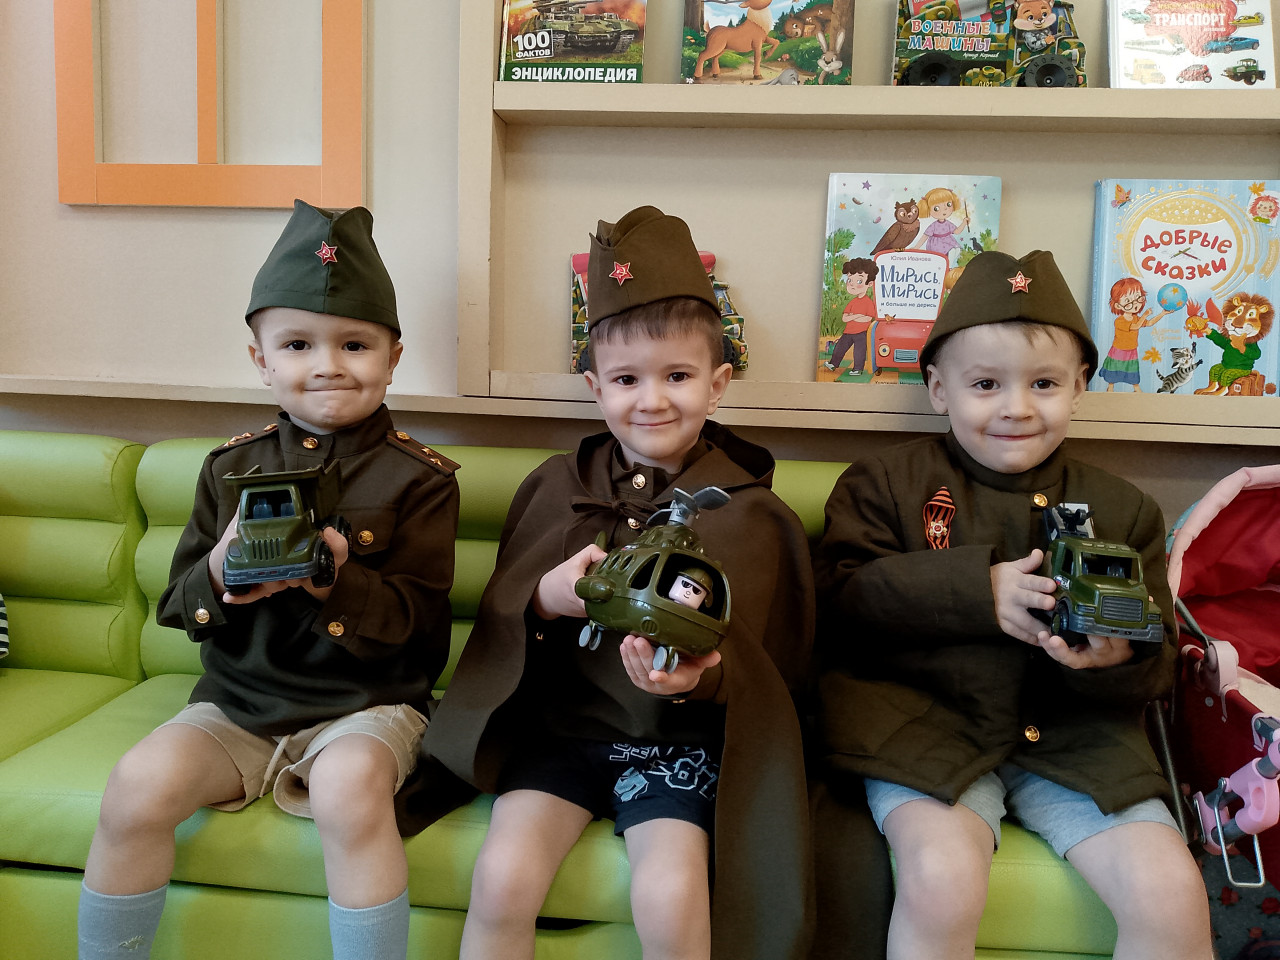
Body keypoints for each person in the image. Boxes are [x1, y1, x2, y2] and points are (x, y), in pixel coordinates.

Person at [424, 205, 815, 960]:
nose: (652, 400)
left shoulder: (753, 514)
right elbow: (505, 615)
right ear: (595, 386)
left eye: (678, 376)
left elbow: (775, 674)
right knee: (501, 877)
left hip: (676, 746)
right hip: (560, 736)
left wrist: (700, 680)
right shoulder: (555, 487)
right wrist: (547, 598)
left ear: (718, 383)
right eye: (627, 378)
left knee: (670, 895)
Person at [78, 200, 460, 960]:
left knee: (348, 793)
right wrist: (221, 570)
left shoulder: (422, 479)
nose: (327, 364)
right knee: (135, 786)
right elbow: (177, 608)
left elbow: (422, 628)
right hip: (239, 705)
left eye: (355, 344)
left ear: (393, 357)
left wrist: (333, 585)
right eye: (296, 344)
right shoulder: (229, 468)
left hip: (368, 706)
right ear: (260, 359)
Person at [811, 250, 1212, 960]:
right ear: (939, 388)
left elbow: (1157, 669)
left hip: (1078, 741)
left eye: (1044, 383)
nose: (1017, 407)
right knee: (941, 877)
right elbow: (840, 601)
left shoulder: (1126, 507)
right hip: (924, 731)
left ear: (1080, 386)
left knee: (1171, 890)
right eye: (986, 384)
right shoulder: (884, 481)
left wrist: (1116, 657)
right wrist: (976, 591)